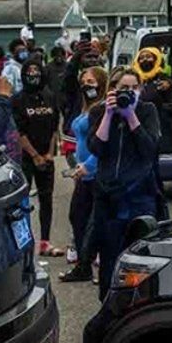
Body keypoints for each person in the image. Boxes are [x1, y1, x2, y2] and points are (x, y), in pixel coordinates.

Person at [88, 69, 162, 298]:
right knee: (110, 256)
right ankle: (109, 302)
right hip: (109, 197)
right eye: (123, 89)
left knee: (142, 255)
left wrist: (131, 116)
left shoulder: (147, 111)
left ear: (140, 89)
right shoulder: (99, 111)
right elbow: (96, 148)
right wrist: (109, 115)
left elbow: (150, 150)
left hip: (139, 195)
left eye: (133, 88)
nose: (128, 93)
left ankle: (143, 302)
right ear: (112, 90)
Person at [58, 66, 107, 283]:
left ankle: (99, 263)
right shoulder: (85, 107)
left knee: (96, 223)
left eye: (92, 81)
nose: (87, 85)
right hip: (82, 173)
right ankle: (83, 265)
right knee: (77, 217)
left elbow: (103, 142)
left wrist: (89, 164)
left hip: (96, 171)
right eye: (84, 81)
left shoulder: (103, 109)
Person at [11, 58, 63, 257]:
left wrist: (49, 154)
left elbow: (53, 127)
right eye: (29, 72)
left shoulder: (49, 96)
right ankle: (23, 243)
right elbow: (19, 132)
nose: (33, 75)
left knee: (46, 199)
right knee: (22, 202)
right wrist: (34, 156)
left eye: (37, 71)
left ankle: (45, 242)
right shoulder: (18, 99)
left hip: (46, 156)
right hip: (26, 157)